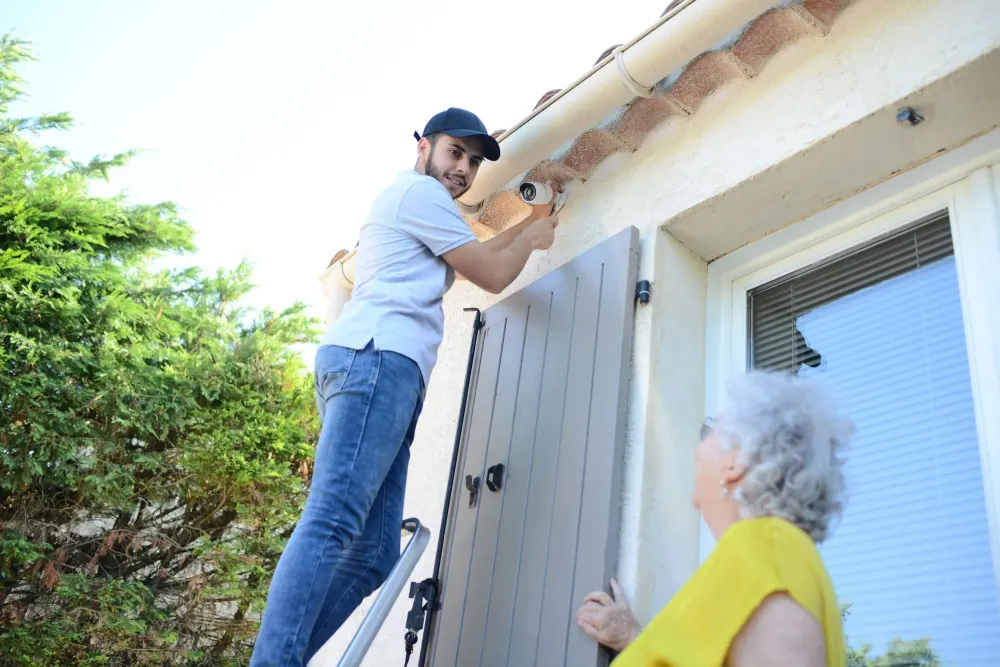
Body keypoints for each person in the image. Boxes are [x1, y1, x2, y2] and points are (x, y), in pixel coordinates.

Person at [249, 108, 563, 667]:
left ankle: (286, 658)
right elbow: (492, 275)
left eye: (471, 161)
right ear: (422, 147)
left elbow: (482, 257)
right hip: (376, 358)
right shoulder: (418, 196)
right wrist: (535, 236)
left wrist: (532, 225)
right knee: (333, 518)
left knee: (372, 556)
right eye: (453, 153)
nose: (463, 169)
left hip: (384, 370)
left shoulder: (426, 210)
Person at [576, 371, 852, 667]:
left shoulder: (763, 550)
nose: (699, 447)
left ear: (737, 460)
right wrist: (633, 638)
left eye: (713, 429)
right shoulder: (775, 563)